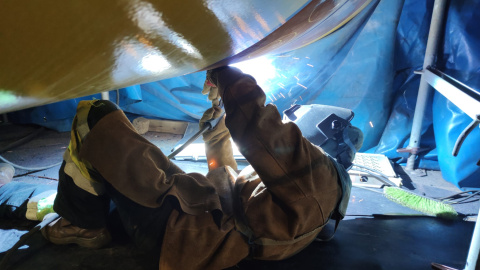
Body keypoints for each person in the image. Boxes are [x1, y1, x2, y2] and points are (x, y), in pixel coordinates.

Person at [41, 66, 363, 270]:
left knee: (94, 115)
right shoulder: (314, 196)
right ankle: (95, 217)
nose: (290, 126)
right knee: (121, 176)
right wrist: (216, 132)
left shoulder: (317, 178)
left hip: (185, 234)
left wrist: (224, 72)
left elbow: (258, 127)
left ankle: (82, 227)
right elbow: (231, 185)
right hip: (197, 224)